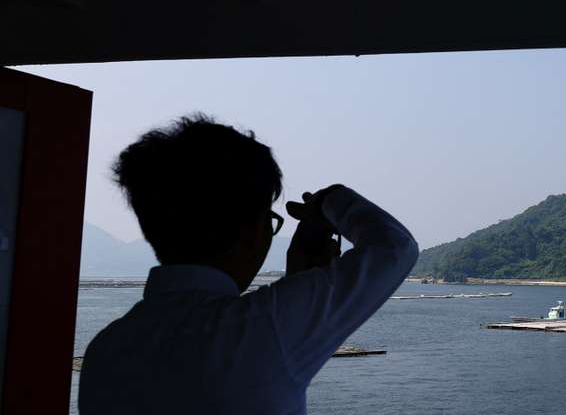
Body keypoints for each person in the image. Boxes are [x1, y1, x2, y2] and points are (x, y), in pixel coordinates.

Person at [78, 115, 419, 415]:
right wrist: (328, 201)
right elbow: (395, 246)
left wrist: (298, 280)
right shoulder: (266, 327)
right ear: (252, 230)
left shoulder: (105, 352)